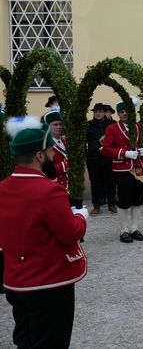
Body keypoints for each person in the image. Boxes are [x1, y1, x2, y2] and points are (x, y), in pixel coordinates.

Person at [0, 115, 89, 348]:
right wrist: (81, 216)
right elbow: (70, 233)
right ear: (40, 155)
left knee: (24, 339)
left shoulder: (2, 188)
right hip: (48, 283)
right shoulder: (49, 190)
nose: (53, 156)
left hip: (15, 281)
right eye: (50, 152)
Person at [102, 98, 143, 244]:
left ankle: (134, 228)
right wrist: (124, 153)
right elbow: (106, 149)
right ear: (118, 114)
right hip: (123, 169)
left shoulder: (139, 127)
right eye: (122, 112)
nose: (125, 114)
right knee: (124, 200)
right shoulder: (112, 129)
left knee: (138, 199)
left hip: (140, 168)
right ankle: (123, 230)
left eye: (127, 111)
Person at [43, 110, 79, 207]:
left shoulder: (66, 140)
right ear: (48, 126)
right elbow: (48, 170)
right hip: (57, 185)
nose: (59, 127)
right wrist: (67, 164)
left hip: (71, 185)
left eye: (60, 124)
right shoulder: (45, 145)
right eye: (55, 125)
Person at [87, 103, 117, 215]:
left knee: (111, 182)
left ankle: (112, 204)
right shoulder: (88, 125)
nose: (98, 113)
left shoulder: (112, 125)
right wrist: (86, 154)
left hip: (108, 158)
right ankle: (96, 206)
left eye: (100, 111)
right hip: (93, 159)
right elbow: (83, 141)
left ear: (104, 113)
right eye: (96, 112)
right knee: (95, 183)